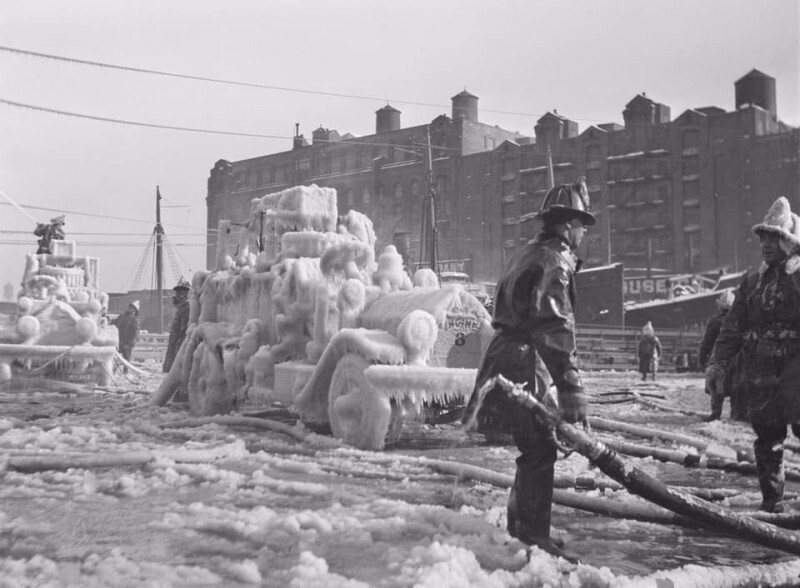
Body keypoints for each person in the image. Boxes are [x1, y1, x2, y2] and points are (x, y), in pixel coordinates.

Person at [464, 177, 593, 562]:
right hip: (524, 358)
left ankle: (522, 527)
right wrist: (571, 385)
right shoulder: (556, 262)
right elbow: (554, 325)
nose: (583, 234)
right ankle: (533, 535)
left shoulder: (529, 252)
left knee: (531, 448)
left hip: (505, 354)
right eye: (583, 226)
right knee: (539, 449)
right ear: (569, 225)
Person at [708, 196, 800, 513]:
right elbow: (731, 329)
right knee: (768, 439)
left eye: (773, 237)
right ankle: (772, 502)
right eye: (763, 238)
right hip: (762, 374)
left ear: (788, 241)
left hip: (796, 371)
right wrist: (717, 366)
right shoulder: (752, 282)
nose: (766, 244)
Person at [698, 290, 736, 421]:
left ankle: (716, 413)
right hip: (736, 358)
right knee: (736, 386)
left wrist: (702, 359)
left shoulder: (715, 321)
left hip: (719, 357)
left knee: (716, 386)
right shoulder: (740, 320)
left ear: (719, 305)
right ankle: (735, 414)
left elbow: (707, 342)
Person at [163, 278, 191, 373]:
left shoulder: (187, 309)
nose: (177, 295)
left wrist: (178, 350)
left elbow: (184, 333)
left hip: (180, 350)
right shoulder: (181, 309)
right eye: (177, 293)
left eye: (181, 292)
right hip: (175, 348)